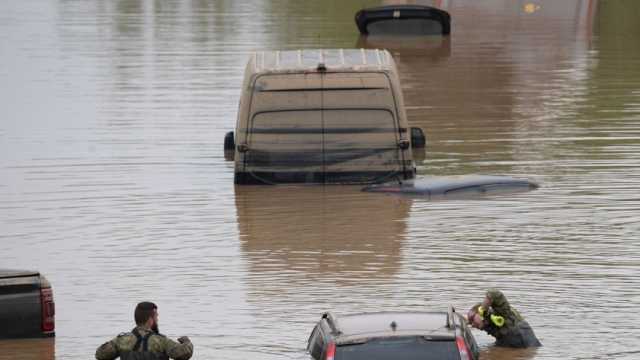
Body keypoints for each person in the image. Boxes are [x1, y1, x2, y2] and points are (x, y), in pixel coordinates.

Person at [95, 302, 194, 360]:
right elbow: (185, 353)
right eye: (156, 317)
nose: (157, 319)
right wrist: (186, 342)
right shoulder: (161, 341)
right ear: (150, 320)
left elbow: (100, 354)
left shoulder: (121, 340)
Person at [467, 289, 541, 348]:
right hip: (510, 343)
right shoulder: (485, 323)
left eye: (472, 320)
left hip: (523, 338)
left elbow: (495, 294)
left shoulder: (501, 313)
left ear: (479, 314)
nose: (472, 325)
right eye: (471, 323)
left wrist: (483, 307)